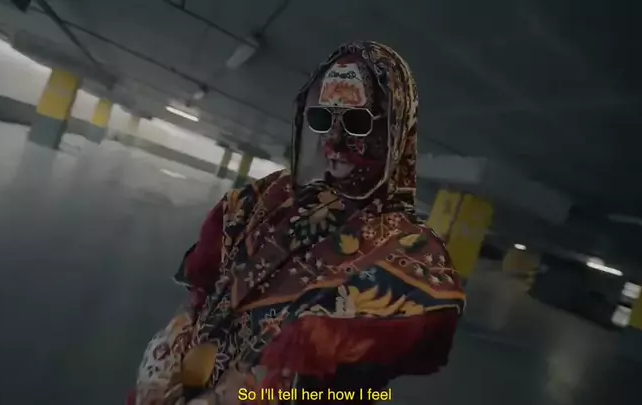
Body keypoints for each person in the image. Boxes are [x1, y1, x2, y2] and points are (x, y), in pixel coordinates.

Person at [132, 41, 466, 405]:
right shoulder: (264, 198)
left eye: (356, 123)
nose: (333, 141)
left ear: (394, 130)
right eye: (323, 119)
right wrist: (164, 360)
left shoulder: (414, 254)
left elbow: (345, 386)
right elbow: (199, 295)